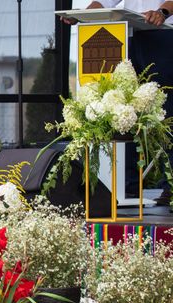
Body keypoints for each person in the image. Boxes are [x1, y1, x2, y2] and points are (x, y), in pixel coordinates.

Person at [66, 1, 173, 206]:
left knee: (168, 113)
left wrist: (163, 12)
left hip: (165, 34)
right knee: (126, 111)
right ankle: (127, 188)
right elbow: (103, 2)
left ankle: (171, 187)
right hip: (130, 35)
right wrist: (81, 15)